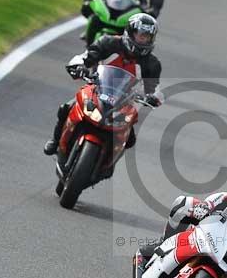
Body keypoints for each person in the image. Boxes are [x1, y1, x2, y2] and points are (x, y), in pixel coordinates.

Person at [43, 13, 163, 168]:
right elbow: (86, 56)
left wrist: (153, 97)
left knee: (130, 140)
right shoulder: (108, 42)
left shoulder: (152, 64)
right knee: (65, 108)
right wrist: (80, 66)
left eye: (147, 37)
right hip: (97, 88)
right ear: (130, 32)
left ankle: (107, 163)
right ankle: (55, 140)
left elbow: (154, 88)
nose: (143, 40)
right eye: (141, 35)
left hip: (124, 101)